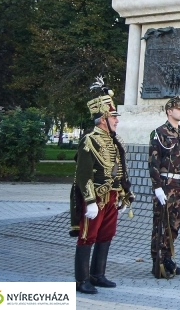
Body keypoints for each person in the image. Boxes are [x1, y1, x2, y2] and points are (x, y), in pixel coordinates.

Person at [70, 76, 134, 294]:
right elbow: (83, 174)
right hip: (96, 198)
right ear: (103, 119)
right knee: (88, 236)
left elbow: (120, 171)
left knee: (106, 235)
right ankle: (81, 280)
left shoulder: (115, 141)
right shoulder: (89, 140)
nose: (117, 121)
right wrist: (89, 201)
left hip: (113, 198)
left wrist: (125, 195)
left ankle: (98, 274)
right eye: (113, 117)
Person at [149, 95, 180, 278]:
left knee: (174, 224)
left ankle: (168, 257)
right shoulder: (159, 133)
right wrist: (157, 187)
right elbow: (153, 163)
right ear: (169, 111)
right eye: (178, 109)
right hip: (166, 185)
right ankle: (157, 262)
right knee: (161, 223)